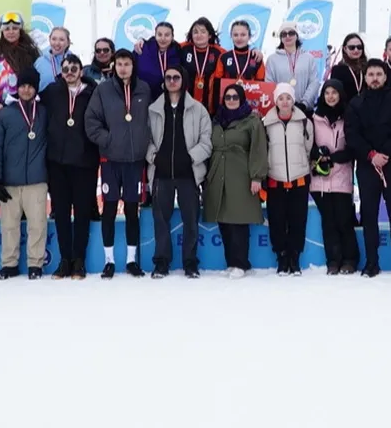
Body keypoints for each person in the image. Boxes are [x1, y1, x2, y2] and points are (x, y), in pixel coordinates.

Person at [86, 50, 152, 278]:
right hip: (110, 160)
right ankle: (109, 261)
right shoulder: (103, 90)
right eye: (120, 64)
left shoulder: (144, 89)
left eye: (127, 64)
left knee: (133, 210)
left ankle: (132, 260)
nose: (123, 68)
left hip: (135, 161)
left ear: (133, 66)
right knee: (110, 209)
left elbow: (152, 119)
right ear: (114, 66)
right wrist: (108, 140)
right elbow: (91, 120)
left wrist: (145, 143)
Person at [346, 59, 391, 277]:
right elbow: (352, 134)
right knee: (369, 215)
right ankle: (371, 263)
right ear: (365, 78)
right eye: (371, 74)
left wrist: (386, 153)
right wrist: (371, 155)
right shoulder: (355, 103)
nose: (375, 78)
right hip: (367, 166)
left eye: (379, 74)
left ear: (385, 77)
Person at [146, 66, 212, 278]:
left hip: (188, 173)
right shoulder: (153, 109)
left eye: (176, 77)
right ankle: (161, 262)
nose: (172, 81)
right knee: (160, 220)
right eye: (168, 77)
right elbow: (145, 139)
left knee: (191, 220)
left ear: (183, 80)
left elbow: (207, 142)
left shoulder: (198, 110)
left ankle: (190, 263)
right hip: (161, 173)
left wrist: (190, 158)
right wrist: (154, 157)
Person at [0, 67, 50, 280]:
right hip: (10, 181)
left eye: (30, 86)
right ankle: (9, 264)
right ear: (17, 88)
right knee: (9, 225)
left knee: (37, 225)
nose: (26, 90)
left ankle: (35, 264)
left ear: (36, 88)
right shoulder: (5, 113)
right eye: (23, 86)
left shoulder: (45, 112)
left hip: (37, 179)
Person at [41, 54, 100, 279]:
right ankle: (65, 260)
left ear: (81, 71)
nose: (69, 73)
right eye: (65, 69)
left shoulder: (92, 93)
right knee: (62, 214)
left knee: (83, 214)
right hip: (57, 163)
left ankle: (79, 261)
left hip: (84, 163)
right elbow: (29, 100)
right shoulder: (52, 92)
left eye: (74, 69)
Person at [203, 83, 268, 279]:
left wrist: (257, 176)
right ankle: (231, 262)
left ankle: (241, 263)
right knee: (223, 220)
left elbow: (259, 149)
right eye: (228, 97)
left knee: (239, 220)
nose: (231, 101)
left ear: (242, 99)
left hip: (241, 175)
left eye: (235, 97)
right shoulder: (216, 120)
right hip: (218, 174)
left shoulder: (252, 121)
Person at [263, 82, 313, 275]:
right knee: (276, 221)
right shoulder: (265, 123)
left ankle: (295, 257)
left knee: (298, 221)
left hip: (299, 179)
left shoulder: (304, 122)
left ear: (293, 100)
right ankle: (282, 257)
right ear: (276, 101)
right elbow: (263, 150)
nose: (285, 102)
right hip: (275, 179)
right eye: (281, 98)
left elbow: (308, 148)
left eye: (288, 98)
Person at [309, 80, 359, 274]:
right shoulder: (314, 119)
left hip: (341, 176)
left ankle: (350, 260)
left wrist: (334, 157)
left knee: (344, 221)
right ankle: (333, 261)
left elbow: (353, 146)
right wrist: (317, 153)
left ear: (340, 95)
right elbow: (307, 145)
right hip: (320, 179)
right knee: (328, 222)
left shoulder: (349, 117)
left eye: (334, 93)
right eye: (327, 92)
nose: (330, 96)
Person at [208, 20, 266, 113]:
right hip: (228, 105)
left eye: (243, 35)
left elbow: (261, 86)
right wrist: (216, 109)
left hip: (249, 107)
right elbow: (217, 85)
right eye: (235, 35)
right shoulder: (224, 57)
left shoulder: (256, 58)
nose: (239, 38)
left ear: (249, 36)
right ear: (231, 36)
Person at [266, 21, 320, 113]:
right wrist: (281, 103)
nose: (287, 36)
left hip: (304, 110)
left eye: (291, 33)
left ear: (297, 35)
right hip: (281, 111)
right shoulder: (272, 59)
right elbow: (269, 84)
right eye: (284, 34)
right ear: (280, 38)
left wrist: (304, 104)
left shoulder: (309, 58)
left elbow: (314, 83)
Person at [0, 12, 41, 102]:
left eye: (15, 28)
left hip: (19, 102)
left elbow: (33, 79)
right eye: (7, 29)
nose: (11, 32)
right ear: (2, 31)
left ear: (20, 30)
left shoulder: (29, 51)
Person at [180, 18, 227, 110]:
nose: (199, 35)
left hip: (210, 107)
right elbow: (164, 44)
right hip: (185, 106)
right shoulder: (183, 48)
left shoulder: (220, 52)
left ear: (209, 35)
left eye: (203, 32)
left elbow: (237, 57)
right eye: (195, 32)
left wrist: (255, 52)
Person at [135, 22, 183, 102]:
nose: (163, 38)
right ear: (155, 35)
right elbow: (129, 63)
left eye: (167, 35)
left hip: (169, 97)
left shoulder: (178, 52)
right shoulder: (143, 48)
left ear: (172, 37)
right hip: (143, 96)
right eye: (159, 35)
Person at [328, 33, 368, 105]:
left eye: (359, 47)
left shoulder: (367, 68)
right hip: (345, 109)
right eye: (352, 47)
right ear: (345, 49)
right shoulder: (338, 70)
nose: (356, 50)